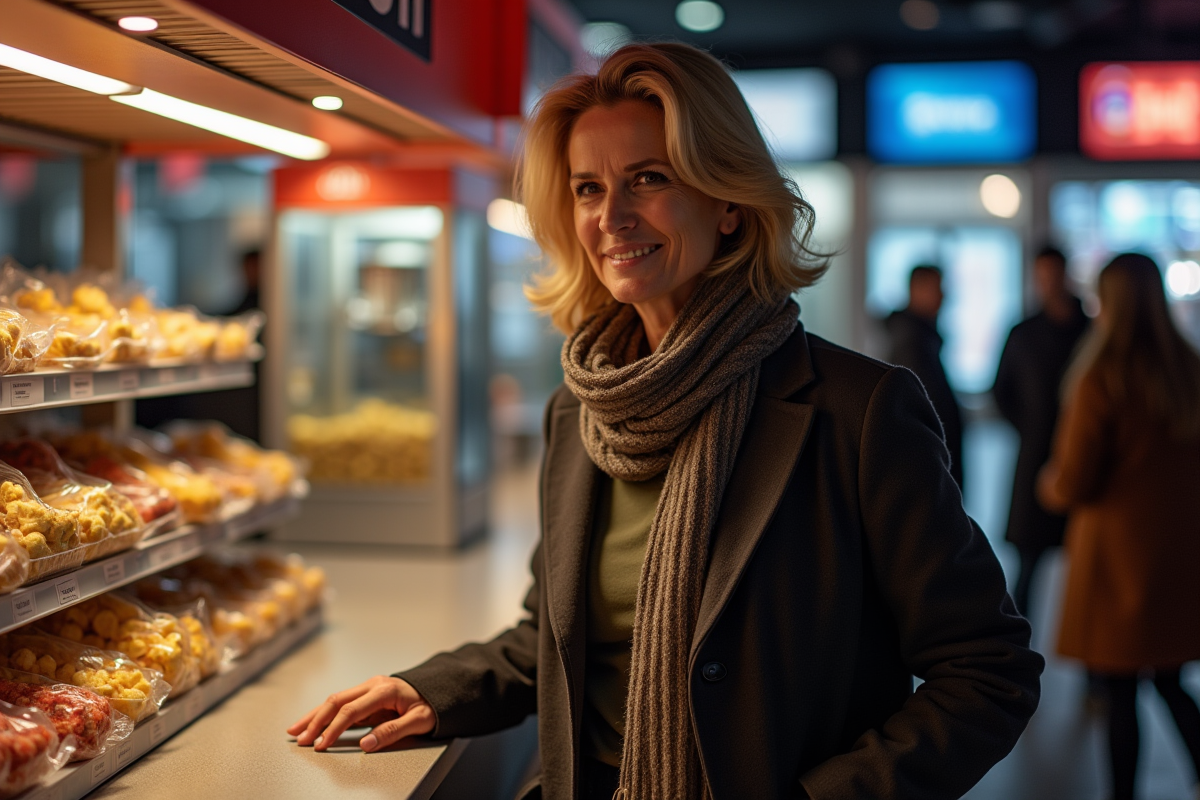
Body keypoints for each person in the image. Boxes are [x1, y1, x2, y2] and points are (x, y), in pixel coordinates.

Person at [289, 43, 1042, 800]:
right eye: (588, 188)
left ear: (728, 202)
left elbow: (988, 670)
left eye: (648, 179)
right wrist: (432, 689)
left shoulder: (856, 410)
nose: (611, 217)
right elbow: (551, 639)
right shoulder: (580, 410)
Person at [1039, 253, 1200, 800]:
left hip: (1115, 559)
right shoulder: (1190, 370)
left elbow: (1077, 480)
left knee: (1119, 688)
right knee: (1173, 679)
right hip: (1176, 552)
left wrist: (1049, 483)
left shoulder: (1100, 379)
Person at [993, 246, 1089, 617]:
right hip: (1035, 459)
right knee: (1028, 566)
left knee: (1088, 565)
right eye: (1042, 275)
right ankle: (1020, 650)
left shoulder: (1090, 330)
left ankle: (1094, 661)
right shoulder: (1023, 332)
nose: (1049, 283)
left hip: (1084, 457)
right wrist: (1030, 428)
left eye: (1054, 274)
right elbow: (1001, 391)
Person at [885, 265, 964, 490]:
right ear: (915, 290)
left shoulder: (921, 337)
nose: (942, 295)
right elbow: (920, 412)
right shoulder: (912, 343)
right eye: (935, 288)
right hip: (927, 475)